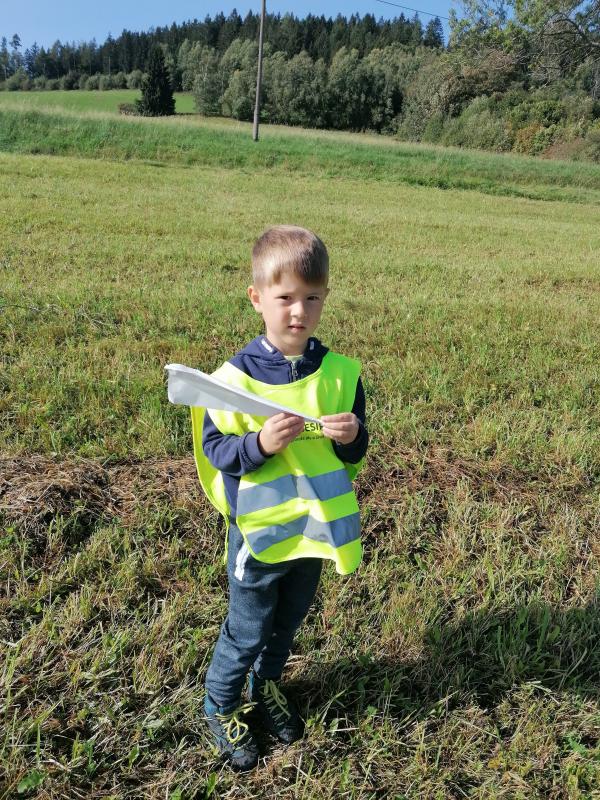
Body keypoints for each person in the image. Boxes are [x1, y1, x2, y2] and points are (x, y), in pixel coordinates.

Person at [191, 225, 369, 770]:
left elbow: (355, 451)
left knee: (287, 623)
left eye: (312, 298)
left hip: (313, 529)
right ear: (257, 298)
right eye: (286, 297)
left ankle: (265, 686)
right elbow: (215, 450)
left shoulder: (339, 373)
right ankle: (221, 703)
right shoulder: (232, 380)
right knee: (248, 629)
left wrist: (351, 434)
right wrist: (260, 445)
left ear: (325, 297)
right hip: (260, 532)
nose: (299, 311)